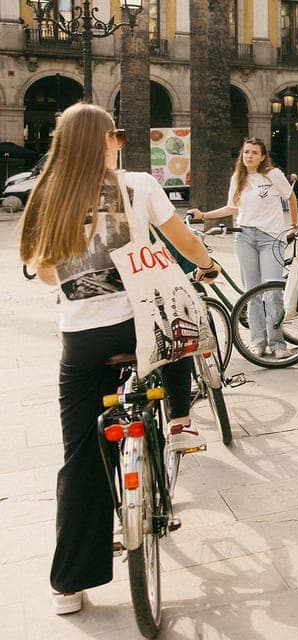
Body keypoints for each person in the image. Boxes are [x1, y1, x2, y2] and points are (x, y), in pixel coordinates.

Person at [17, 103, 220, 615]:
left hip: (82, 339)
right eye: (117, 135)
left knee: (80, 455)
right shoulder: (140, 186)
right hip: (138, 325)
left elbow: (42, 273)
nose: (120, 142)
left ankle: (69, 584)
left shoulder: (47, 193)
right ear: (105, 141)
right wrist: (208, 263)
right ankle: (177, 418)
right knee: (174, 324)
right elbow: (184, 244)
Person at [188, 138, 294, 359]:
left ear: (263, 156)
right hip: (245, 237)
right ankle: (258, 342)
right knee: (251, 292)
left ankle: (277, 343)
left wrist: (292, 226)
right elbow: (232, 207)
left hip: (271, 238)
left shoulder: (273, 175)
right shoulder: (238, 178)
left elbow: (290, 197)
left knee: (272, 291)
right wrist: (204, 215)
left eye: (255, 153)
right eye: (246, 152)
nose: (250, 156)